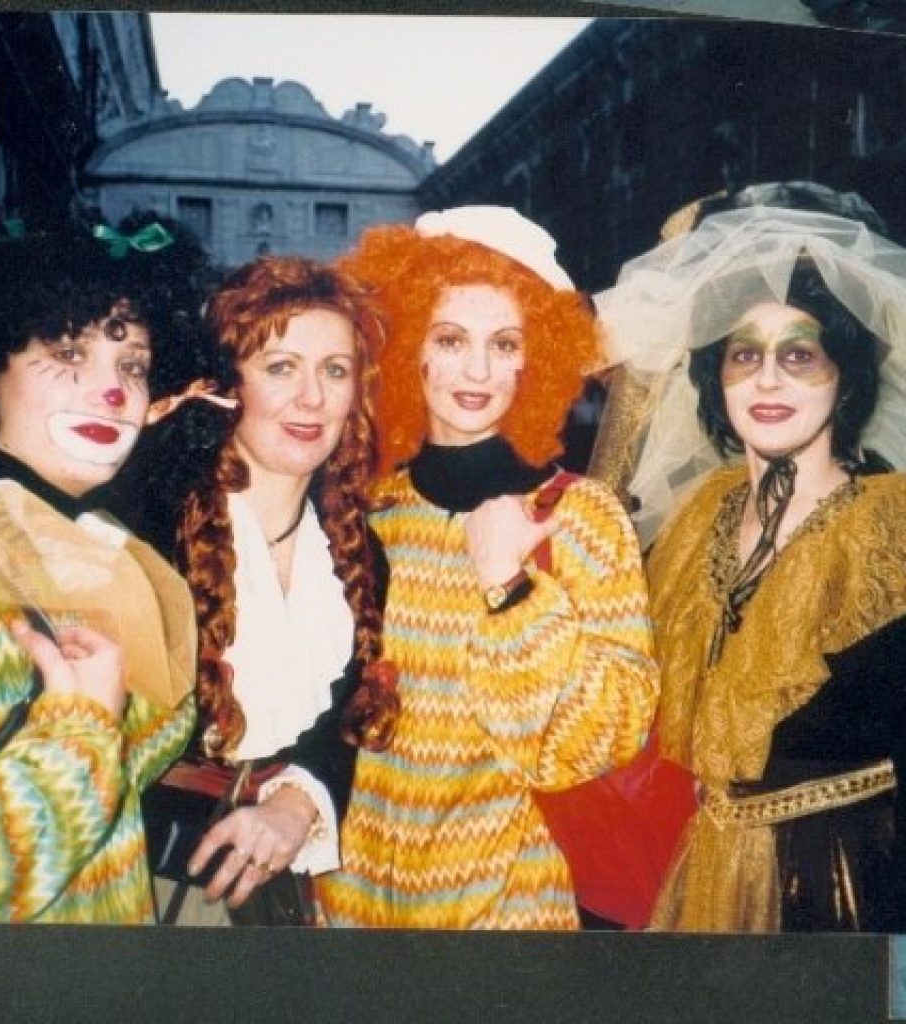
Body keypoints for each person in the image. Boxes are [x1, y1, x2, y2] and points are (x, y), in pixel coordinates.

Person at [316, 206, 658, 930]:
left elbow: (607, 735)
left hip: (511, 913)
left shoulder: (579, 516)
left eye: (504, 344)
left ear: (535, 360)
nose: (477, 370)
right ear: (410, 348)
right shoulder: (368, 511)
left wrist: (512, 590)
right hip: (355, 907)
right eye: (450, 339)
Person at [594, 181, 906, 931]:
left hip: (853, 888)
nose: (768, 379)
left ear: (845, 372)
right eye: (744, 355)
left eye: (800, 354)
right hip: (705, 877)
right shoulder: (700, 517)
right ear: (716, 375)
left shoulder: (893, 529)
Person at [0, 213, 205, 922]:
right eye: (67, 352)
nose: (113, 392)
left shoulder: (98, 550)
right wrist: (78, 735)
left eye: (133, 365)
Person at [128, 255, 393, 925]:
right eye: (281, 368)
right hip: (150, 879)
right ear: (228, 384)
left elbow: (345, 717)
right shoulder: (155, 527)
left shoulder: (360, 551)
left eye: (335, 371)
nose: (312, 397)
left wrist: (296, 804)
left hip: (284, 892)